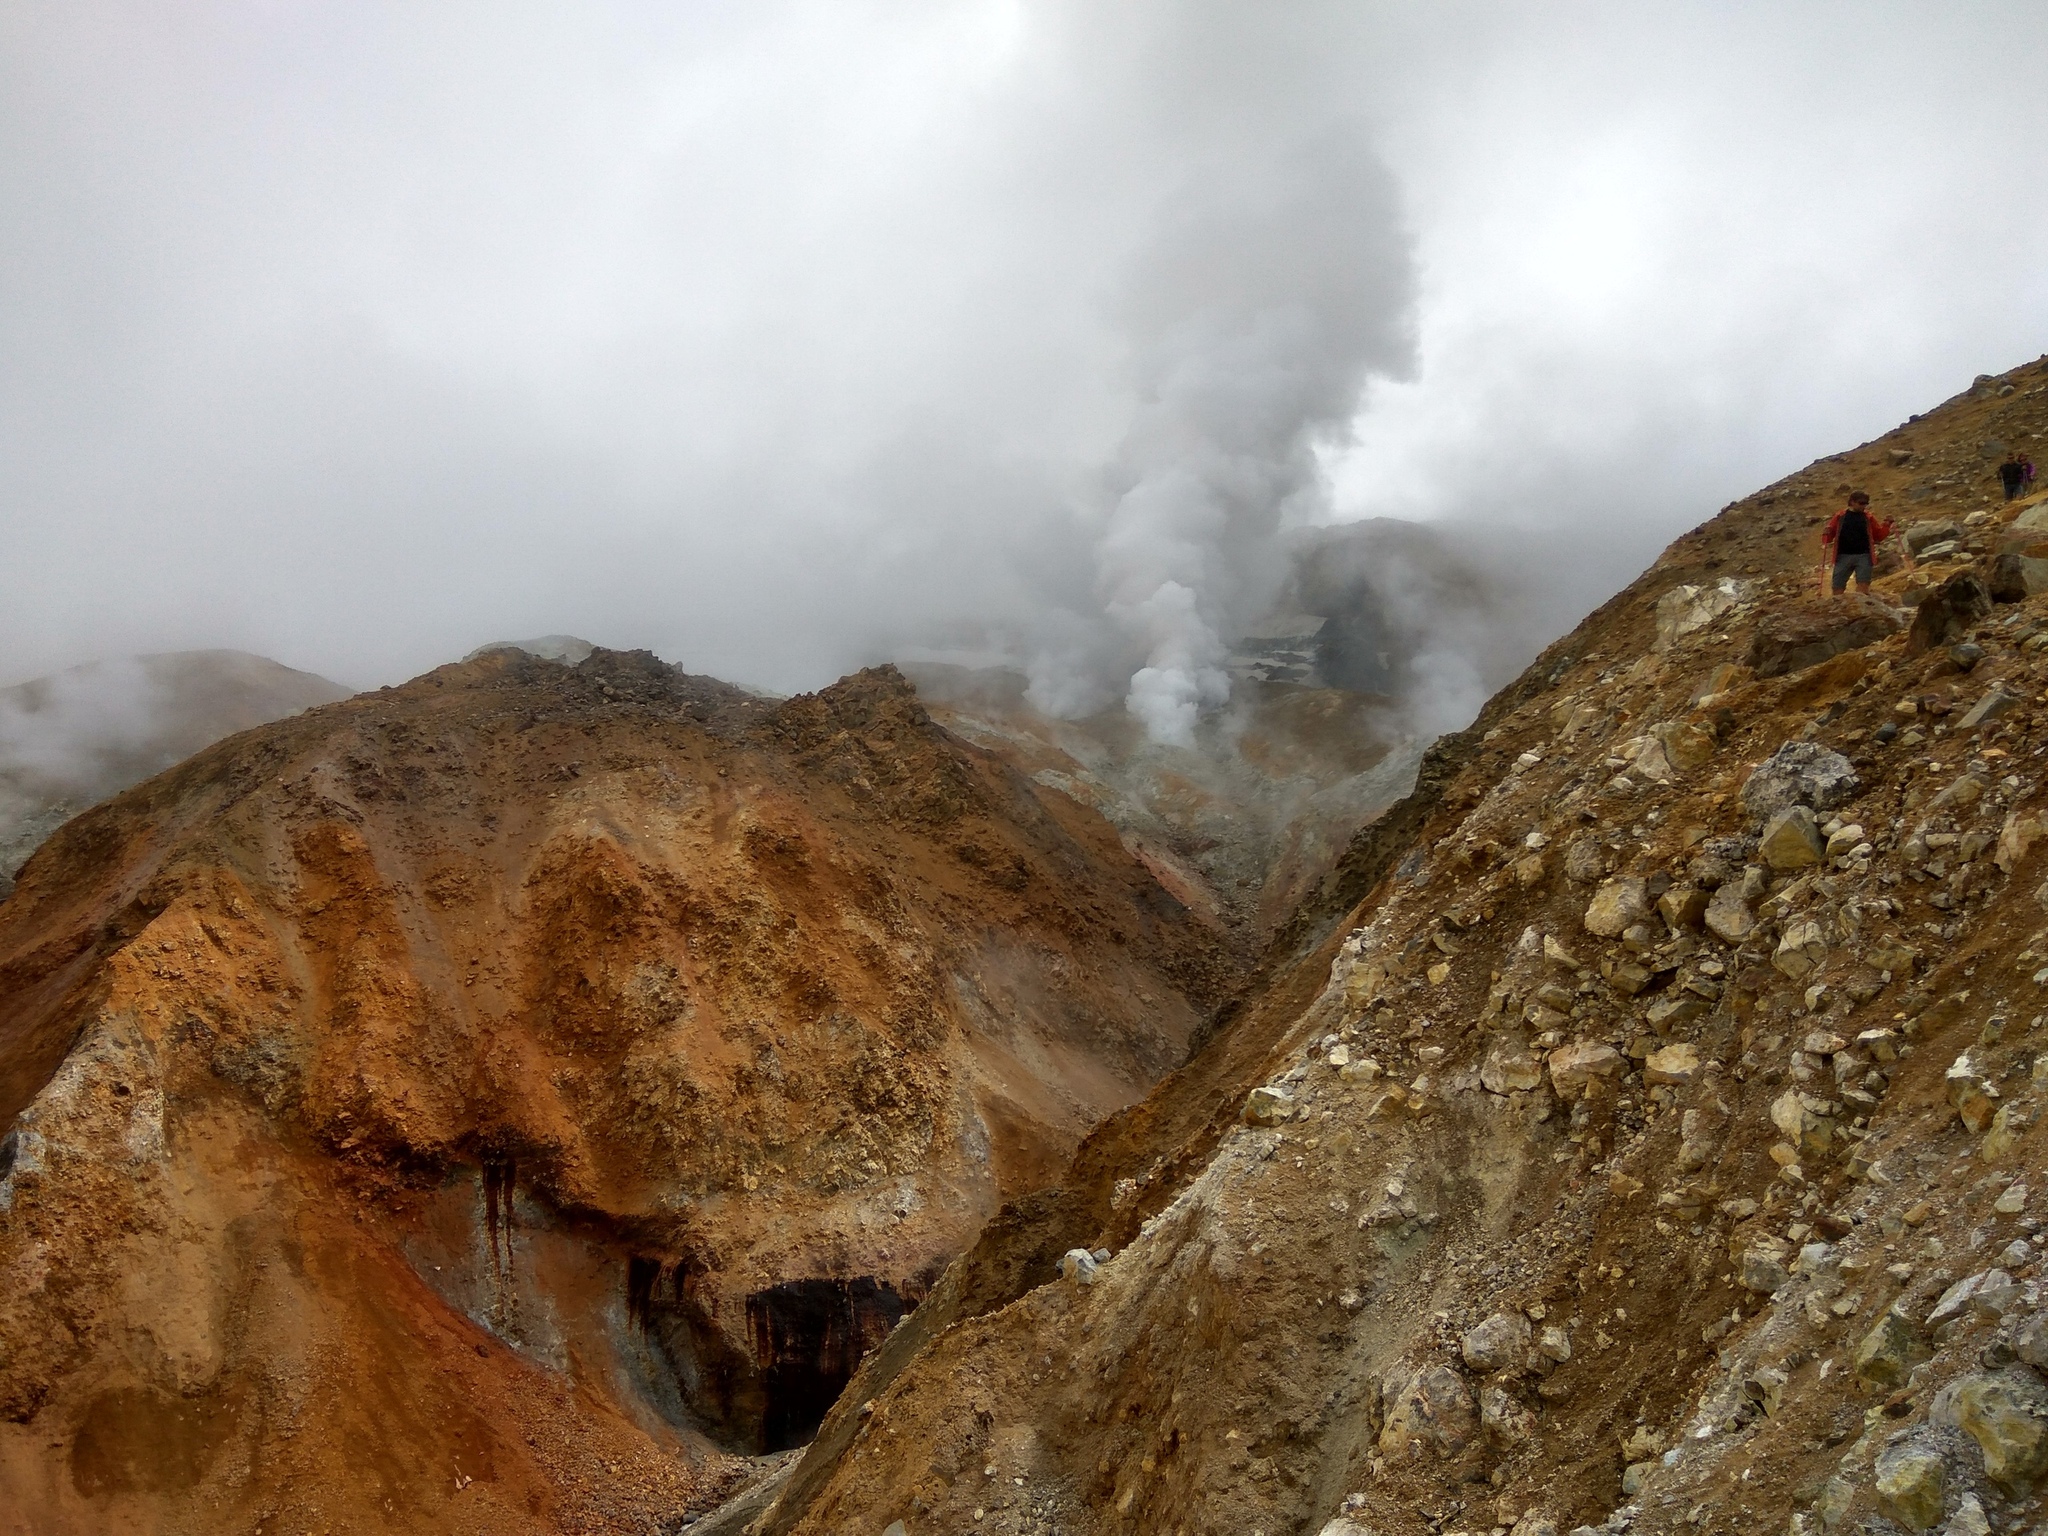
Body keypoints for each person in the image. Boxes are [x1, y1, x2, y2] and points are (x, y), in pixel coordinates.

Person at [1820, 491, 1904, 596]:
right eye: (1861, 503)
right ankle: (1841, 610)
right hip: (1843, 556)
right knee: (1837, 587)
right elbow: (1827, 539)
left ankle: (1861, 609)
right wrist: (1826, 533)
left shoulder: (1868, 517)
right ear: (1852, 502)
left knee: (1863, 586)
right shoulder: (1840, 516)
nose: (1864, 506)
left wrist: (1887, 524)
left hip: (1864, 556)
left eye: (1866, 503)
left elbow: (1878, 536)